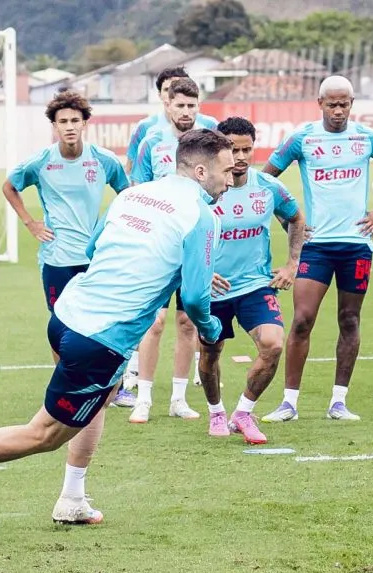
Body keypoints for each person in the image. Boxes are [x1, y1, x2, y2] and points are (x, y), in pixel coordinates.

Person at [0, 129, 233, 518]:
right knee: (44, 434)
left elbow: (93, 248)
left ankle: (72, 499)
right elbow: (194, 299)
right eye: (226, 171)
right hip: (99, 339)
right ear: (201, 171)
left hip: (67, 314)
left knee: (102, 398)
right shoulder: (201, 216)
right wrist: (211, 331)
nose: (231, 179)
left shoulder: (132, 195)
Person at [0, 91, 131, 524]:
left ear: (85, 123)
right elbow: (9, 185)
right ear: (54, 126)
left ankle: (107, 384)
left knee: (98, 328)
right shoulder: (41, 162)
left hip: (94, 261)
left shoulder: (104, 161)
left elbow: (128, 195)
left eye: (75, 120)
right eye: (63, 121)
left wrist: (114, 230)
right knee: (62, 331)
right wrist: (30, 222)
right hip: (57, 261)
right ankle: (70, 389)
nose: (70, 127)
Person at [260, 75, 373, 423]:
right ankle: (289, 403)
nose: (339, 111)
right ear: (320, 103)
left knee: (349, 319)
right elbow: (266, 181)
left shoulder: (367, 138)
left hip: (356, 246)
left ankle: (338, 402)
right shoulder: (302, 139)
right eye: (332, 104)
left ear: (352, 104)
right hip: (316, 247)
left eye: (344, 104)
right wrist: (291, 223)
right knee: (302, 320)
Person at [198, 117, 306, 444]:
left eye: (247, 149)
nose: (241, 157)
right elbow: (179, 234)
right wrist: (200, 272)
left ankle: (243, 412)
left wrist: (292, 264)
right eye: (233, 149)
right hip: (211, 290)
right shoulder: (203, 192)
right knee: (210, 355)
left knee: (273, 344)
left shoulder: (268, 187)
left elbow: (296, 218)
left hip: (255, 286)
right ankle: (216, 411)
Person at [121, 67, 219, 390]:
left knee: (188, 318)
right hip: (161, 242)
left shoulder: (212, 136)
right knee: (155, 319)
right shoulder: (151, 139)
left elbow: (223, 181)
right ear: (167, 104)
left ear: (199, 105)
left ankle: (181, 395)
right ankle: (140, 385)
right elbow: (137, 186)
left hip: (196, 239)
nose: (186, 111)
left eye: (192, 105)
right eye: (180, 105)